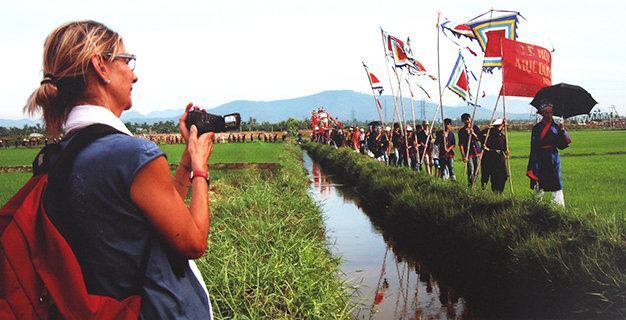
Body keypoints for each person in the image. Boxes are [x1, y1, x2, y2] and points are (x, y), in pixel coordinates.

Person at [24, 21, 214, 318]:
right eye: (127, 61)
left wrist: (186, 164)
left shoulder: (56, 157)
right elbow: (192, 242)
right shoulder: (133, 154)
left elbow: (153, 218)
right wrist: (201, 168)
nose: (134, 75)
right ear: (101, 66)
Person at [527, 100, 572, 206]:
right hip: (540, 158)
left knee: (556, 183)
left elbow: (563, 145)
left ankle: (558, 207)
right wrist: (533, 163)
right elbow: (534, 146)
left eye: (550, 112)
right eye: (546, 112)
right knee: (539, 182)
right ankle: (536, 206)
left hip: (553, 158)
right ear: (542, 113)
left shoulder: (557, 127)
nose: (548, 114)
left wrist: (562, 131)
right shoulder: (537, 128)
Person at [480, 118, 508, 193]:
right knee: (491, 177)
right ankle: (493, 192)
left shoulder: (502, 136)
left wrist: (506, 151)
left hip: (500, 159)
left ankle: (499, 192)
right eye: (503, 125)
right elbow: (481, 137)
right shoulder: (490, 134)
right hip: (490, 159)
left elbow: (504, 148)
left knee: (504, 176)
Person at [458, 113, 483, 187]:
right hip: (468, 153)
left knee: (477, 171)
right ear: (463, 121)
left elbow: (479, 138)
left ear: (470, 119)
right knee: (471, 170)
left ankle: (474, 184)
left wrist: (473, 133)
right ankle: (470, 185)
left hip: (477, 152)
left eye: (468, 119)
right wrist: (463, 156)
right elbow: (461, 144)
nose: (467, 121)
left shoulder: (475, 127)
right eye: (465, 120)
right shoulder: (462, 131)